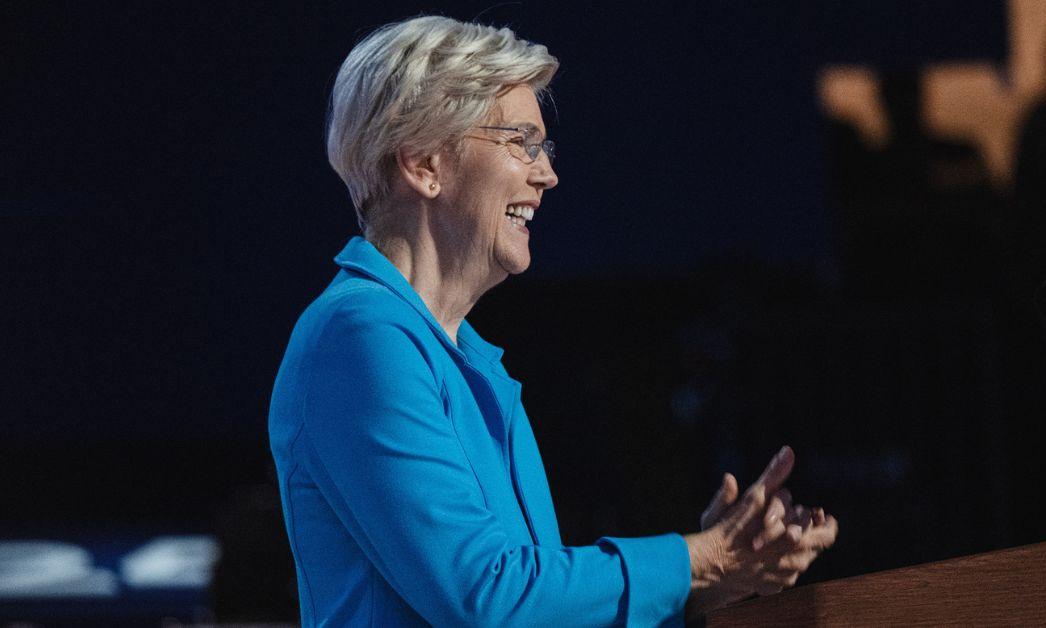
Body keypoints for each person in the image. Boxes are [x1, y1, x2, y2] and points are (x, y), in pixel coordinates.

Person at [268, 15, 837, 626]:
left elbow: (530, 604)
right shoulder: (359, 339)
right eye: (520, 142)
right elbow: (488, 596)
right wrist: (693, 563)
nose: (547, 174)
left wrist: (703, 583)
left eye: (545, 148)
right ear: (424, 162)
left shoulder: (464, 358)